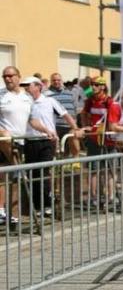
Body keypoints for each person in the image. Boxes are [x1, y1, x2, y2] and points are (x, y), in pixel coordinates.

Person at [21, 76, 82, 216]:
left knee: (44, 172)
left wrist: (75, 128)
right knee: (33, 174)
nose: (26, 88)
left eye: (28, 85)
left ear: (38, 86)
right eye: (24, 86)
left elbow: (66, 115)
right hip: (29, 141)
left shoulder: (49, 101)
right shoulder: (24, 102)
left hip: (47, 141)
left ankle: (47, 205)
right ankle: (37, 207)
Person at [0, 67, 35, 225]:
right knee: (1, 176)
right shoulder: (1, 95)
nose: (7, 79)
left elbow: (32, 120)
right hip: (3, 141)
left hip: (19, 142)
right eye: (4, 76)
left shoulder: (27, 97)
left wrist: (47, 130)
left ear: (18, 77)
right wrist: (2, 131)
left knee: (14, 180)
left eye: (10, 75)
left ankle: (12, 214)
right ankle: (1, 210)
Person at [80, 76, 121, 208]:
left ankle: (111, 197)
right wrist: (86, 126)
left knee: (110, 171)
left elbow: (112, 123)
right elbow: (83, 113)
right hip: (94, 140)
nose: (93, 87)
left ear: (103, 87)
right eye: (92, 84)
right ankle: (93, 198)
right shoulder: (90, 100)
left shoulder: (110, 102)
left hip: (108, 141)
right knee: (93, 170)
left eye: (96, 85)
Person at [45, 72, 80, 158]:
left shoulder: (70, 93)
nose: (56, 82)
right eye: (54, 80)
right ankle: (57, 164)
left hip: (69, 126)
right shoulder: (46, 94)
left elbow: (75, 108)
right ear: (51, 81)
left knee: (72, 147)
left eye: (58, 80)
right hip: (55, 126)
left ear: (62, 81)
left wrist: (75, 122)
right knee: (56, 150)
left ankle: (74, 162)